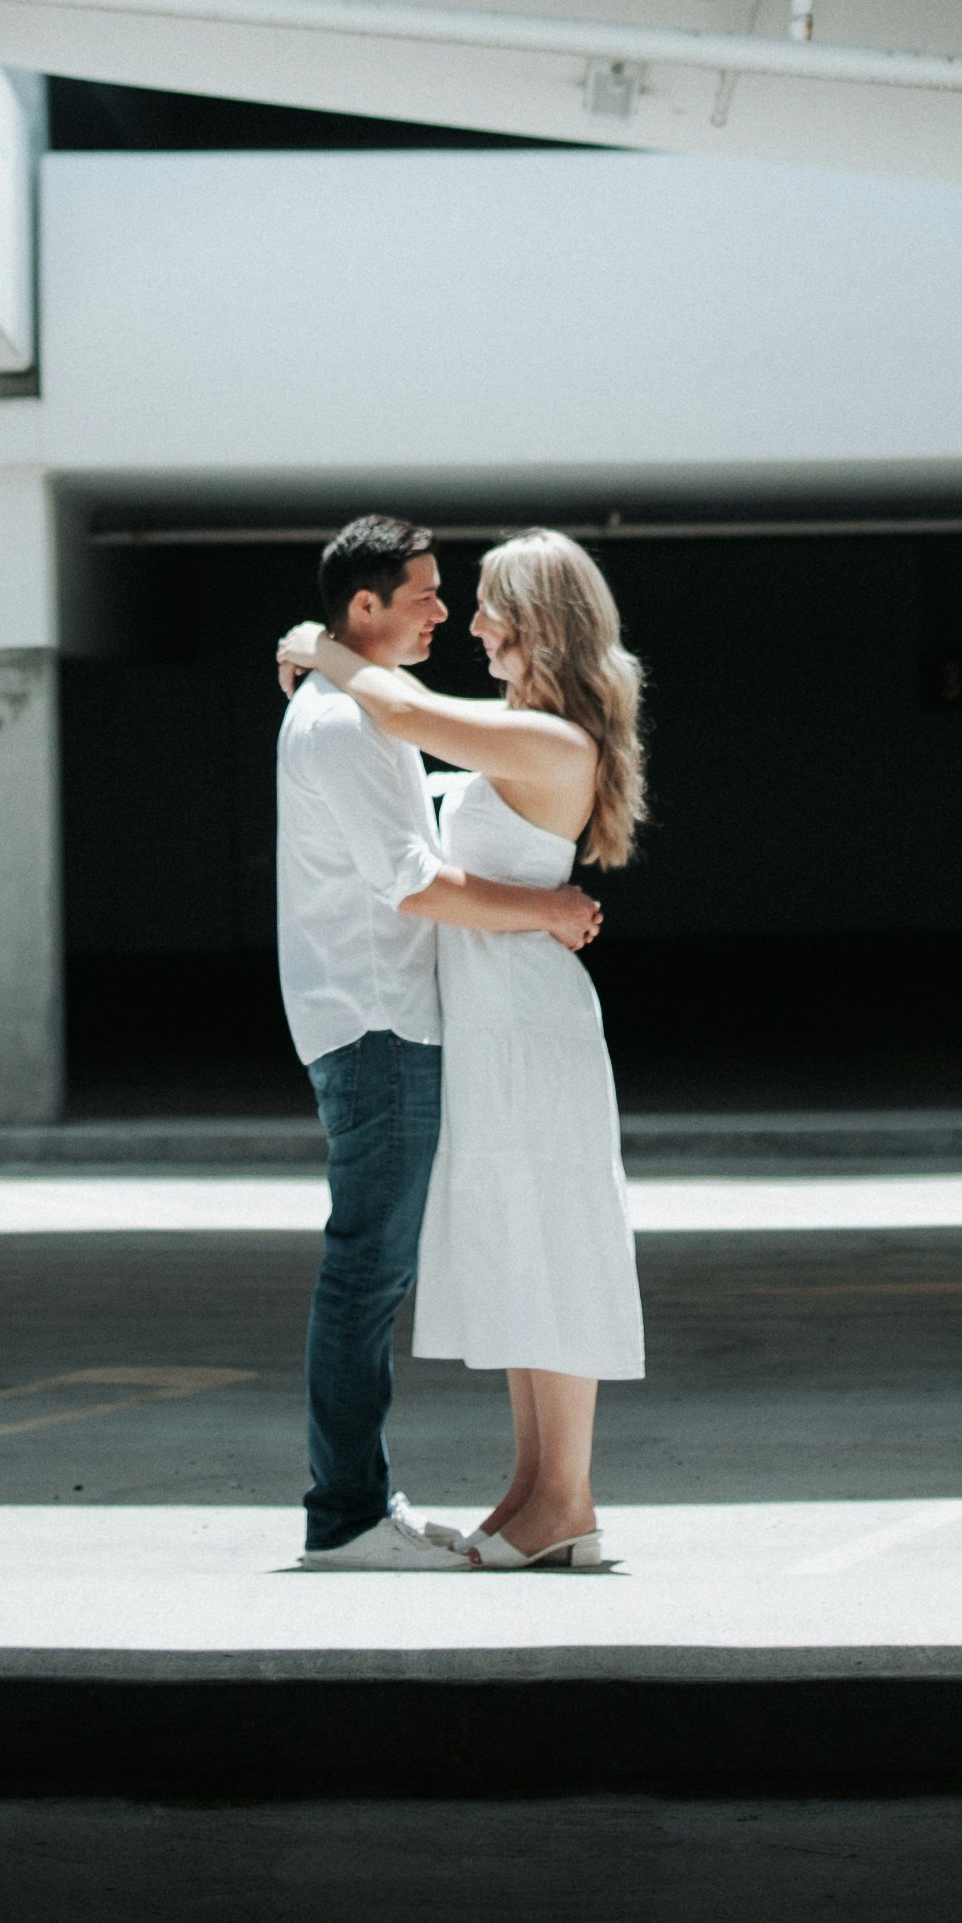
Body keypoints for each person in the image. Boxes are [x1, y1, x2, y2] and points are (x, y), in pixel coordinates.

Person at [280, 527, 644, 1572]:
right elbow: (401, 787)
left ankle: (564, 1499)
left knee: (555, 1243)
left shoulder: (553, 740)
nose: (468, 621)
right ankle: (533, 1493)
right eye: (457, 600)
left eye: (485, 605)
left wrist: (315, 641)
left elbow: (399, 713)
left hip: (528, 1018)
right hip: (496, 1015)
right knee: (524, 1242)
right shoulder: (520, 732)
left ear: (537, 625)